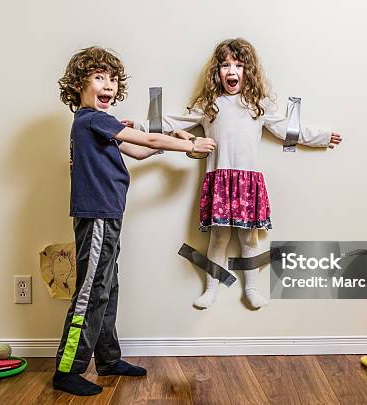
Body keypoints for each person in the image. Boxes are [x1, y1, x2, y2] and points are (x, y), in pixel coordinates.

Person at [53, 46, 215, 396]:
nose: (107, 85)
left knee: (106, 288)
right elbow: (147, 138)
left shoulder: (99, 124)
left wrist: (180, 142)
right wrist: (186, 140)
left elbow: (141, 149)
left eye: (112, 79)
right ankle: (67, 370)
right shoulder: (91, 118)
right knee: (90, 292)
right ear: (79, 84)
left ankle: (109, 359)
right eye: (99, 77)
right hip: (96, 216)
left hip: (109, 215)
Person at [135, 38, 342, 309]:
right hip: (219, 179)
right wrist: (138, 126)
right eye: (225, 65)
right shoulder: (209, 105)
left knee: (249, 238)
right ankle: (210, 289)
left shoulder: (258, 105)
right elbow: (173, 122)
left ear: (249, 71)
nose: (231, 71)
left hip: (247, 181)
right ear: (217, 71)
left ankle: (252, 290)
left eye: (239, 65)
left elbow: (287, 130)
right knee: (218, 238)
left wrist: (323, 137)